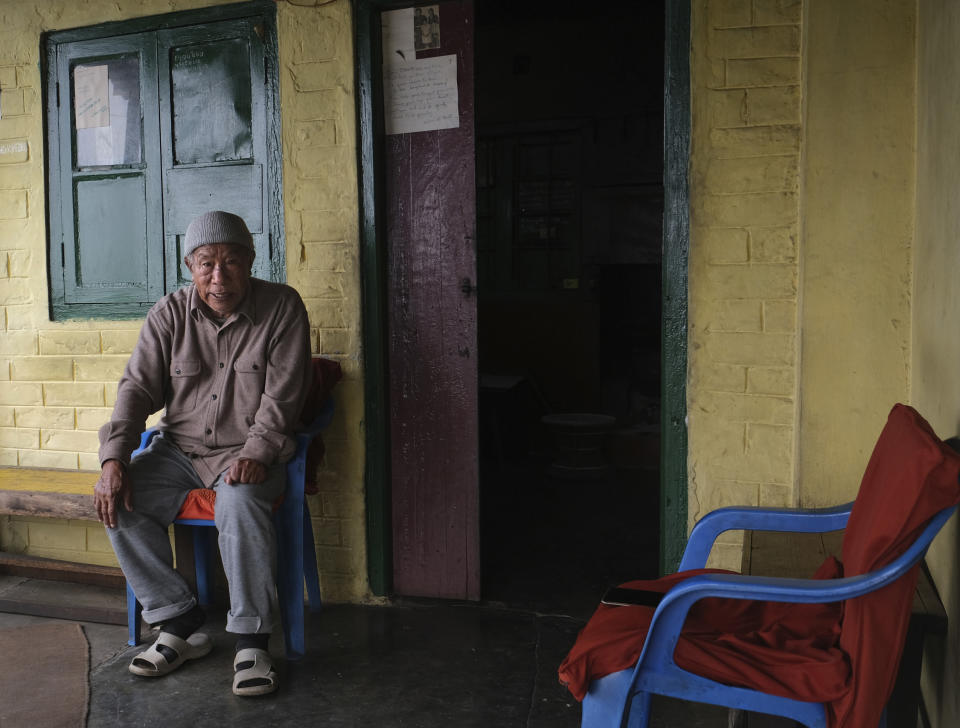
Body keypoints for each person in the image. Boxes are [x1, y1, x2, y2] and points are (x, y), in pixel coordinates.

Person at [94, 210, 312, 696]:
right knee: (118, 499)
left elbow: (283, 397)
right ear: (189, 266)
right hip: (179, 453)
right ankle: (180, 622)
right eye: (206, 264)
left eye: (231, 262)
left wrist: (257, 450)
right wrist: (114, 460)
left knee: (238, 501)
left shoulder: (282, 307)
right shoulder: (168, 313)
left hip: (248, 452)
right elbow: (136, 389)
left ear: (251, 262)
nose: (219, 276)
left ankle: (251, 641)